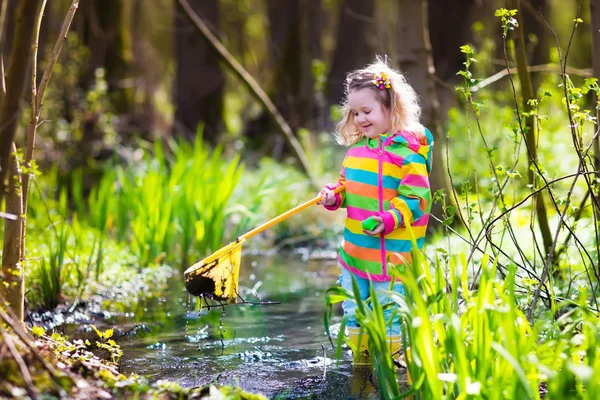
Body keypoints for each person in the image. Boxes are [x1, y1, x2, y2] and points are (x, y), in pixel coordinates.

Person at [318, 57, 434, 365]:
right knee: (355, 310)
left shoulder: (409, 156)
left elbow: (417, 199)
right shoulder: (356, 152)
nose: (359, 119)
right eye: (355, 113)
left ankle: (391, 369)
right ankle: (361, 366)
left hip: (393, 257)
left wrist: (389, 219)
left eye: (366, 111)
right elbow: (348, 187)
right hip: (356, 252)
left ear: (392, 108)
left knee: (389, 313)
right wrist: (334, 196)